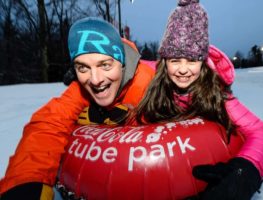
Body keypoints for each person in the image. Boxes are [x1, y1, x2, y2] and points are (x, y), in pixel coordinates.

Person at [132, 0, 263, 199]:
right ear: (164, 61)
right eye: (175, 60)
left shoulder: (216, 94)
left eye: (191, 60)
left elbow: (262, 132)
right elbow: (123, 65)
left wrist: (243, 173)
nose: (183, 69)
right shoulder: (151, 76)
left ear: (202, 60)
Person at [0, 17, 155, 199]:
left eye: (105, 65)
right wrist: (27, 180)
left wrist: (127, 118)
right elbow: (50, 122)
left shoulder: (147, 82)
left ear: (121, 63)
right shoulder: (81, 90)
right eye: (83, 68)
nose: (95, 79)